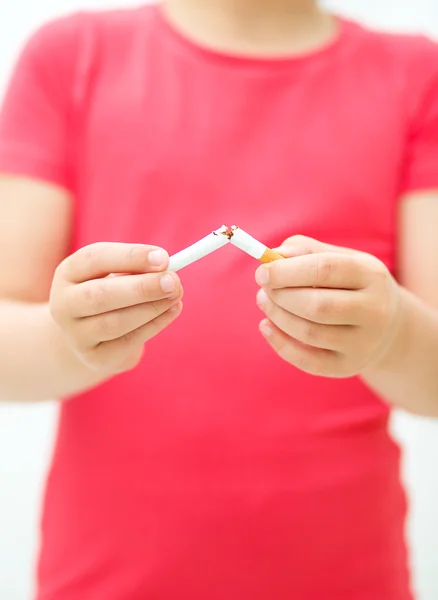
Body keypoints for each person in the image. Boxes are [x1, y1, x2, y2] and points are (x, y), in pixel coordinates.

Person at [1, 0, 438, 598]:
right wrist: (65, 339)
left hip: (344, 578)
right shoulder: (72, 57)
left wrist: (393, 335)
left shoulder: (416, 75)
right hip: (104, 580)